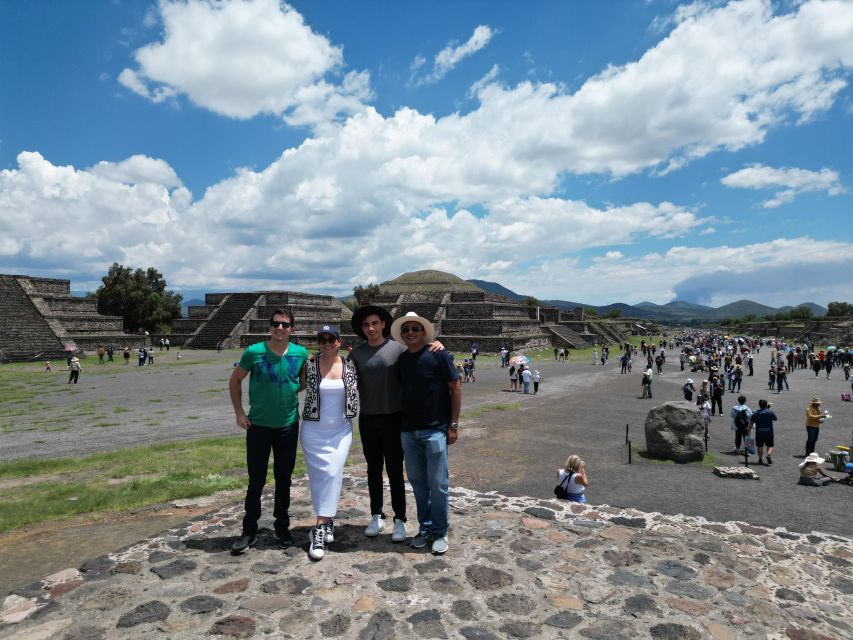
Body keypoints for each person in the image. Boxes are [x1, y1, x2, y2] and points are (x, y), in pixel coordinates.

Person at [348, 305, 445, 543]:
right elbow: (349, 383)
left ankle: (400, 518)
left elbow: (420, 354)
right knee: (372, 469)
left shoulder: (400, 350)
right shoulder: (356, 355)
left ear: (383, 324)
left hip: (394, 417)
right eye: (365, 324)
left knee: (394, 471)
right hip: (369, 417)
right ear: (362, 328)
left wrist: (439, 345)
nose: (370, 328)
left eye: (374, 323)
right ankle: (376, 514)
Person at [228, 309, 307, 555]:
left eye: (285, 325)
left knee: (284, 480)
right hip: (259, 426)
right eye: (276, 324)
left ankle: (282, 527)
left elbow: (302, 382)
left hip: (288, 425)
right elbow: (235, 380)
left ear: (292, 329)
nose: (280, 329)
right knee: (256, 480)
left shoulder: (300, 353)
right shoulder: (254, 352)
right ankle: (249, 529)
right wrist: (240, 413)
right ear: (269, 326)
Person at [391, 311, 461, 555]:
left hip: (435, 430)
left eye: (415, 329)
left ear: (424, 332)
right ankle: (426, 528)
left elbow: (455, 386)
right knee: (419, 485)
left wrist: (453, 425)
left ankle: (440, 531)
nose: (410, 332)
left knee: (438, 484)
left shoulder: (438, 354)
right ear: (402, 334)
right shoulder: (401, 360)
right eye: (406, 329)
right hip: (408, 432)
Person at [300, 325, 356, 561]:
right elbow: (294, 384)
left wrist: (436, 346)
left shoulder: (351, 365)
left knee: (333, 472)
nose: (326, 343)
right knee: (319, 477)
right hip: (313, 431)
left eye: (330, 339)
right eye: (322, 339)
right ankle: (327, 521)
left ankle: (319, 527)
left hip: (341, 431)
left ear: (339, 342)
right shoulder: (309, 365)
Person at [750, 399, 777, 465]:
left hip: (759, 432)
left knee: (760, 446)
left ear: (759, 405)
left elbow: (751, 423)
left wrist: (748, 430)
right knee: (770, 445)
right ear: (766, 405)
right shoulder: (770, 412)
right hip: (769, 432)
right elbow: (775, 419)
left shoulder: (756, 413)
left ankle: (760, 459)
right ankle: (768, 454)